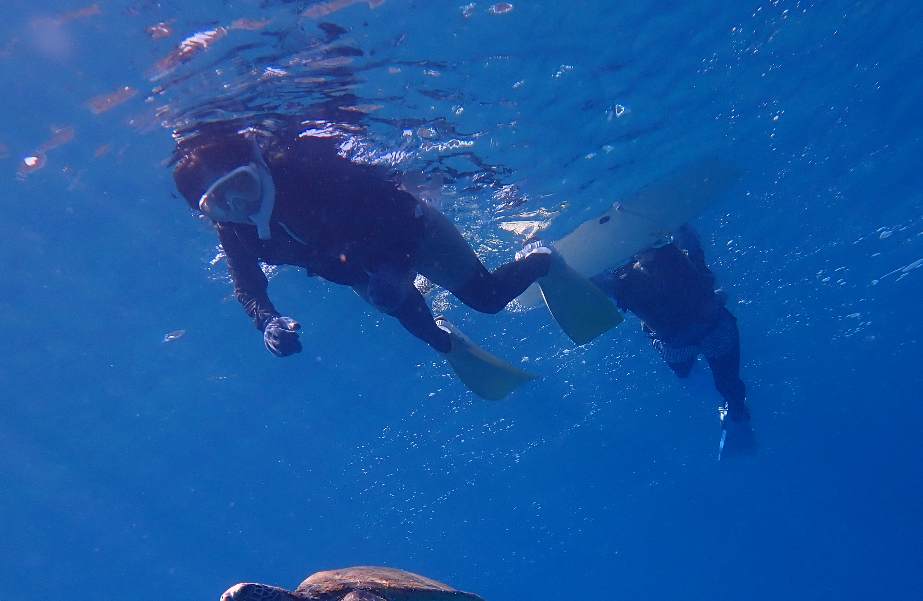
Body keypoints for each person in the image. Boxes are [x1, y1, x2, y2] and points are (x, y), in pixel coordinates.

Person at [171, 125, 615, 399]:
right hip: (362, 272)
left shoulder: (304, 170)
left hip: (412, 233)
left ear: (257, 166)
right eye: (219, 203)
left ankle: (540, 259)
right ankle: (447, 343)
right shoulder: (234, 229)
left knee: (487, 299)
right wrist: (266, 322)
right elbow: (249, 286)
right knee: (425, 332)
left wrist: (392, 267)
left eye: (242, 186)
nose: (238, 206)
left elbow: (395, 209)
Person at [590, 224, 756, 456]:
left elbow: (596, 283)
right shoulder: (677, 258)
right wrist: (678, 222)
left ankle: (723, 400)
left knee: (687, 371)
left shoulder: (623, 281)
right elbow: (690, 240)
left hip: (677, 343)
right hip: (714, 331)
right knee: (728, 382)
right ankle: (735, 411)